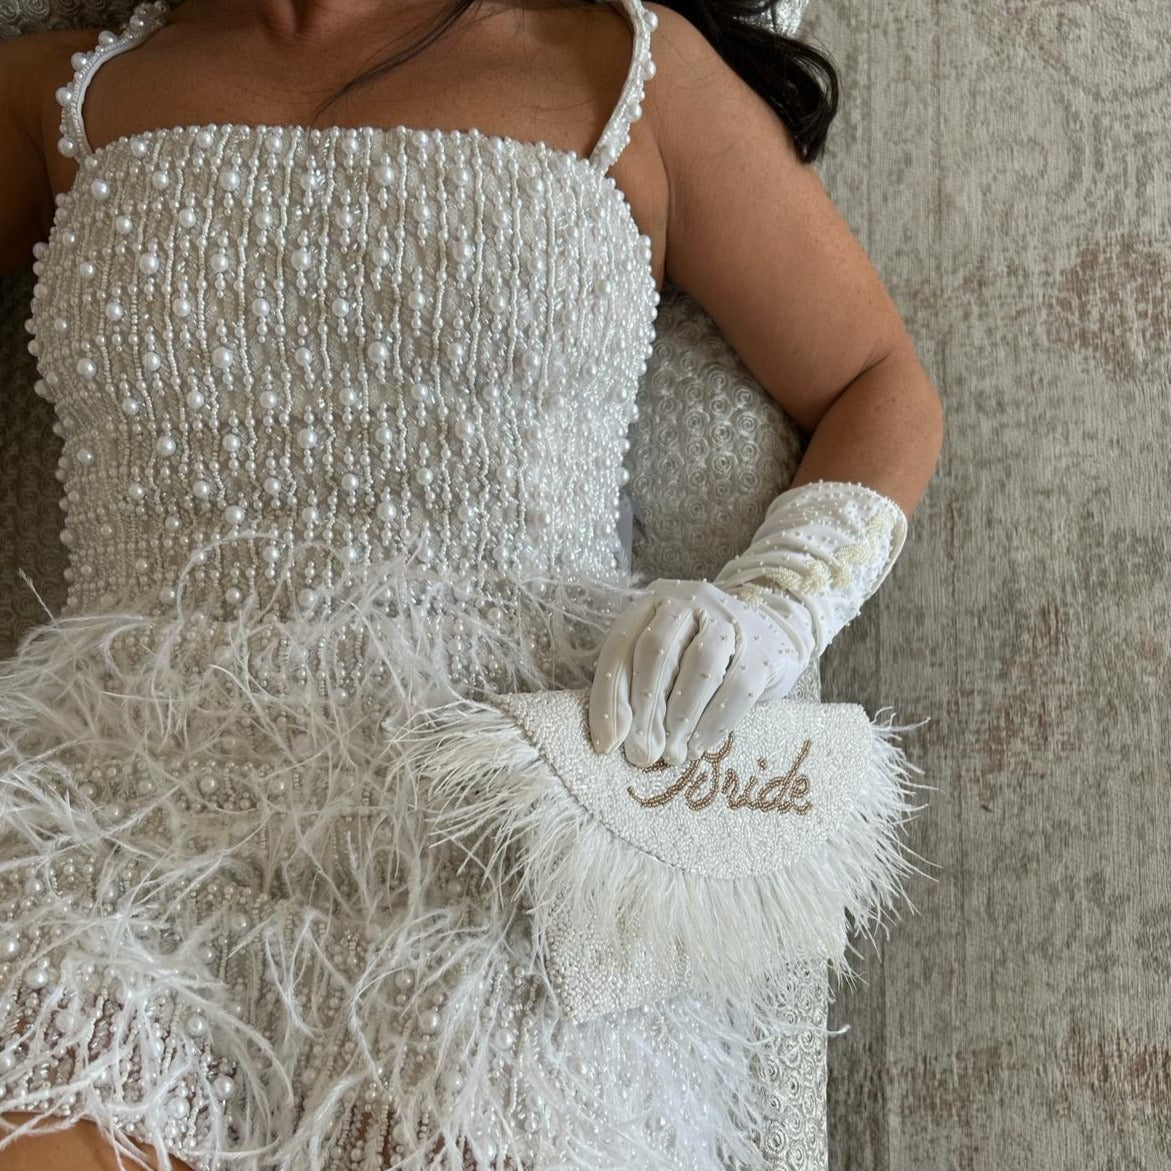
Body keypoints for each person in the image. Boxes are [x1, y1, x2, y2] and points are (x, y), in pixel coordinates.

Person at [0, 0, 943, 1168]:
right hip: (112, 828)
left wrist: (776, 607)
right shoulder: (62, 94)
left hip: (494, 841)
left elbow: (875, 379)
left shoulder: (627, 69)